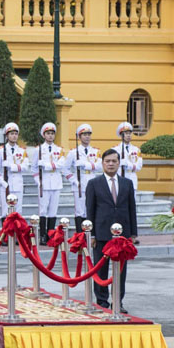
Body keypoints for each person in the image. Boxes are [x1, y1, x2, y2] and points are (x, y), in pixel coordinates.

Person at [86, 148, 137, 314]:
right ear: (102, 164)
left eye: (114, 161)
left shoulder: (127, 183)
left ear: (119, 163)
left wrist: (133, 234)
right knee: (100, 269)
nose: (110, 164)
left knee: (121, 270)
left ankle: (117, 301)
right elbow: (90, 210)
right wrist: (92, 234)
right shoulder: (94, 184)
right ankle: (102, 302)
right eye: (107, 161)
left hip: (122, 235)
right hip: (101, 233)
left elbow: (131, 209)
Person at [0, 122, 28, 245]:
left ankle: (17, 236)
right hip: (5, 184)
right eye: (11, 134)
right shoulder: (1, 151)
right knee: (5, 211)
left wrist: (12, 166)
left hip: (17, 182)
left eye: (15, 134)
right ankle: (5, 236)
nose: (14, 136)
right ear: (7, 136)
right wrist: (2, 182)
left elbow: (25, 166)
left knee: (18, 210)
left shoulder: (21, 150)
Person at [31, 122, 66, 245]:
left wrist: (46, 165)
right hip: (44, 183)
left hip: (56, 182)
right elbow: (34, 168)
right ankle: (42, 235)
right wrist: (38, 181)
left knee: (53, 210)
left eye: (52, 133)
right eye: (48, 134)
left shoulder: (60, 150)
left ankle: (51, 234)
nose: (50, 136)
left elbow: (62, 164)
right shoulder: (38, 150)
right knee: (43, 210)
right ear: (44, 135)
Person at [64, 124, 102, 233]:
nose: (87, 137)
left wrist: (86, 164)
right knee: (80, 210)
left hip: (92, 180)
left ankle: (90, 233)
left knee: (91, 207)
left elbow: (99, 166)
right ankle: (80, 234)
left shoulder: (96, 152)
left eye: (89, 134)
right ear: (79, 137)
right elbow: (65, 169)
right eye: (84, 135)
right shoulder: (73, 152)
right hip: (79, 183)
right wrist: (73, 180)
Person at [113, 121, 143, 245]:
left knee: (131, 208)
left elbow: (139, 166)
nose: (129, 135)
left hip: (131, 179)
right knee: (119, 208)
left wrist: (128, 164)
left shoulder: (136, 150)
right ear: (121, 135)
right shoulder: (115, 149)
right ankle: (119, 232)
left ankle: (133, 234)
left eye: (130, 133)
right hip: (119, 181)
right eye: (126, 133)